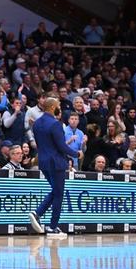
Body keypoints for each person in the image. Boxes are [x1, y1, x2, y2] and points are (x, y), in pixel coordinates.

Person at [28, 98, 81, 238]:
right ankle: (52, 227)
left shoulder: (37, 123)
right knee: (59, 194)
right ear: (52, 107)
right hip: (56, 162)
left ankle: (38, 214)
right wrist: (77, 154)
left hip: (43, 162)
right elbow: (61, 146)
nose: (59, 108)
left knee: (55, 191)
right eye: (58, 106)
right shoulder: (56, 124)